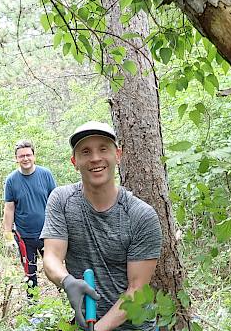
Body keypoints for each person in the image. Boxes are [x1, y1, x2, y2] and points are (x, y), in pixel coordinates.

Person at [41, 121, 162, 331]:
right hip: (87, 321)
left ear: (118, 155)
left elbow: (136, 288)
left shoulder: (141, 215)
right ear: (74, 161)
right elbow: (51, 256)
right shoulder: (61, 200)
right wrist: (67, 281)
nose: (95, 158)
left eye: (103, 149)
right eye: (85, 151)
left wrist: (98, 329)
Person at [2, 140, 57, 300]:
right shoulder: (11, 180)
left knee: (55, 268)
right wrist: (7, 234)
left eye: (28, 155)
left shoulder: (45, 174)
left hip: (48, 234)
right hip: (24, 236)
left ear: (34, 156)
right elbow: (9, 208)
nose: (25, 158)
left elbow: (55, 201)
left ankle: (66, 305)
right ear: (16, 159)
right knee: (30, 272)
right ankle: (34, 309)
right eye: (21, 156)